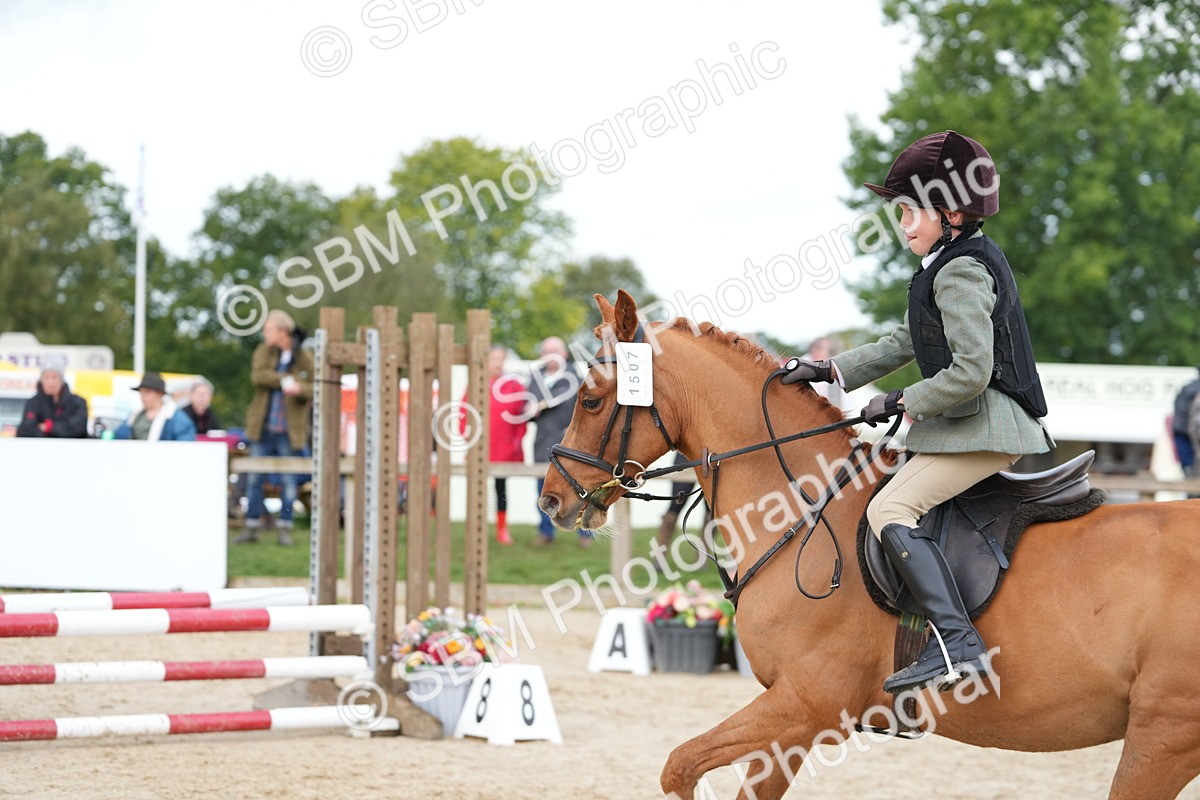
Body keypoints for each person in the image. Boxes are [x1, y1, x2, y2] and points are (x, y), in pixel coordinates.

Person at [783, 130, 1053, 694]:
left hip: (987, 422)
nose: (902, 223)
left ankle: (959, 642)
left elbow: (972, 370)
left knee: (890, 510)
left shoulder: (959, 270)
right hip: (971, 421)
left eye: (910, 211)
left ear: (951, 211)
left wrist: (902, 400)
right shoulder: (947, 262)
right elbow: (905, 340)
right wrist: (831, 371)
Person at [236, 310, 314, 546]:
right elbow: (258, 376)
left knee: (289, 481)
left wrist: (299, 388)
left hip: (290, 430)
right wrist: (284, 380)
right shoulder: (263, 352)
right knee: (254, 478)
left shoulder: (305, 357)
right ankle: (251, 526)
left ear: (282, 331)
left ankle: (285, 528)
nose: (264, 333)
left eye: (268, 329)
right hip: (264, 427)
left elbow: (315, 386)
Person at [527, 336, 592, 547]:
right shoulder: (535, 378)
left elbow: (589, 408)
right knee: (542, 490)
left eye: (554, 351)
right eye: (546, 352)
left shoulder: (576, 377)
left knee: (580, 489)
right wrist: (530, 411)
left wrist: (575, 427)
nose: (550, 356)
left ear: (564, 354)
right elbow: (523, 408)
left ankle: (585, 534)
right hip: (543, 443)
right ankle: (546, 533)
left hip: (571, 446)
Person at [472, 345, 527, 546]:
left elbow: (521, 417)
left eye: (500, 359)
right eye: (493, 358)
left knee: (500, 488)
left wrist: (516, 442)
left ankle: (501, 529)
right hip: (480, 447)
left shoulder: (512, 386)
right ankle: (475, 528)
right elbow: (464, 413)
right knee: (476, 488)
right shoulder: (476, 384)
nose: (496, 363)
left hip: (504, 448)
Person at [113, 372, 197, 441]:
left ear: (160, 394)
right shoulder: (134, 416)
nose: (143, 397)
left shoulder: (177, 419)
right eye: (141, 393)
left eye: (147, 392)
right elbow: (118, 436)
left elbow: (184, 448)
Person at [16, 365, 89, 438]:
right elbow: (26, 430)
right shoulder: (32, 403)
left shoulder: (78, 403)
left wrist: (49, 427)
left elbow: (78, 428)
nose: (50, 382)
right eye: (46, 377)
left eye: (54, 377)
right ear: (41, 380)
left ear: (61, 380)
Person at [801, 337, 847, 410]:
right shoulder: (801, 367)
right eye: (828, 349)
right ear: (816, 350)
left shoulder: (829, 364)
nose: (829, 353)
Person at [1171, 368, 1200, 477]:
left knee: (1188, 465)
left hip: (1181, 428)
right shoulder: (1196, 388)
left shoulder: (1188, 387)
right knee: (1192, 465)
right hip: (1189, 430)